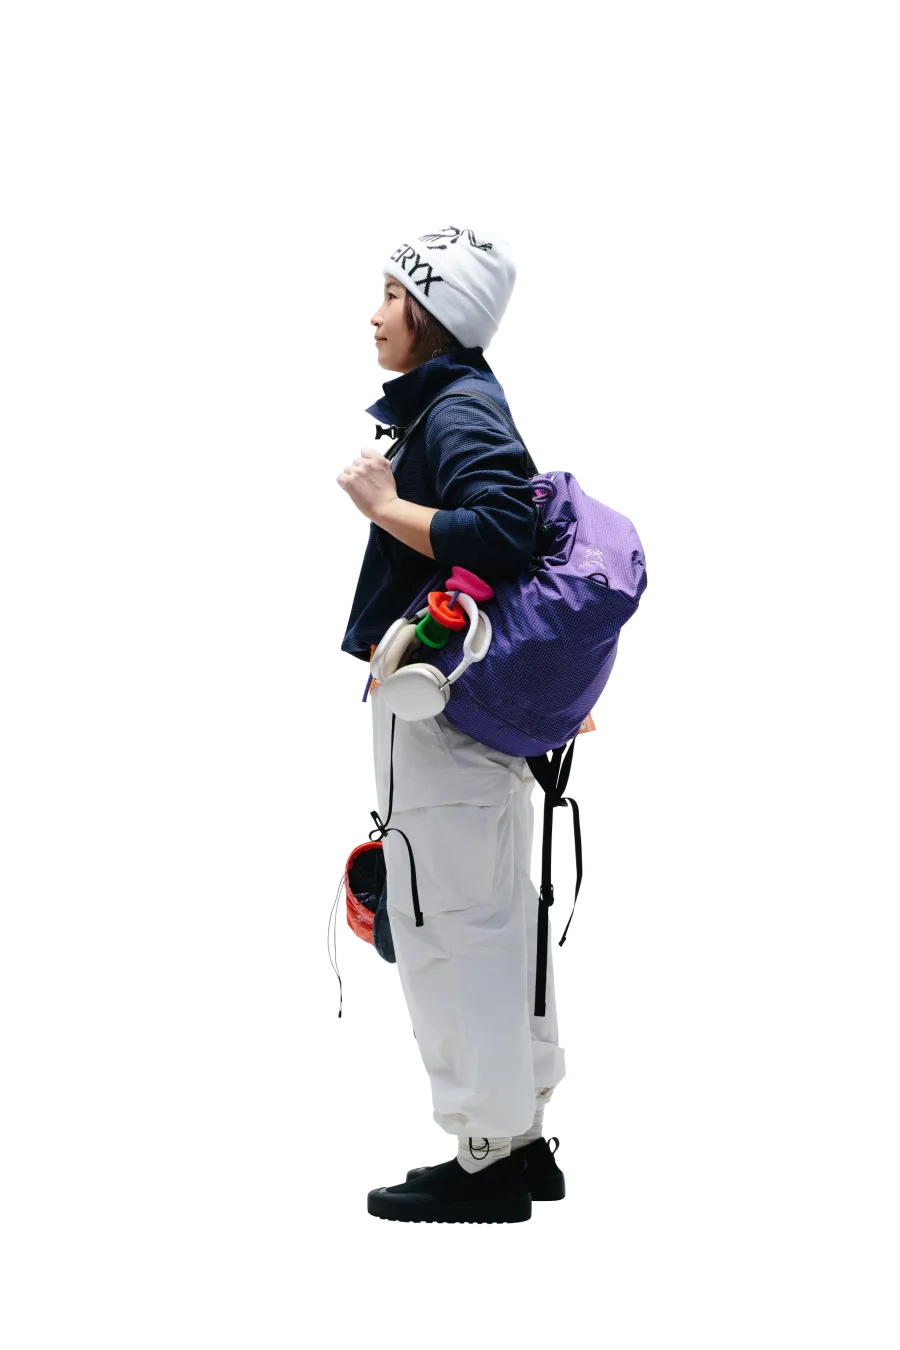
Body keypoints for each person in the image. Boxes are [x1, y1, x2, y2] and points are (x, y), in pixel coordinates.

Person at [339, 227, 567, 1224]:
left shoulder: (457, 407)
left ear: (430, 315)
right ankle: (518, 1148)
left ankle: (487, 1159)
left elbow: (505, 530)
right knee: (490, 920)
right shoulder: (456, 401)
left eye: (393, 297)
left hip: (442, 721)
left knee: (450, 927)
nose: (376, 315)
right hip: (465, 721)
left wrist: (385, 506)